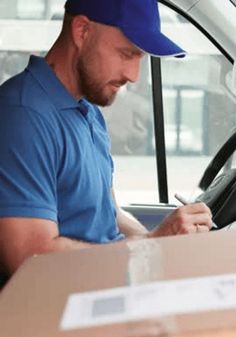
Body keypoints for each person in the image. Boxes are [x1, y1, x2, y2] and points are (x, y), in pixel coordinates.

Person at [0, 0, 213, 278]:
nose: (133, 76)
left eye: (141, 58)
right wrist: (148, 247)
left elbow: (111, 214)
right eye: (126, 53)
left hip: (105, 287)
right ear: (82, 31)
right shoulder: (22, 115)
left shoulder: (87, 112)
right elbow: (30, 257)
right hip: (60, 308)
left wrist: (164, 244)